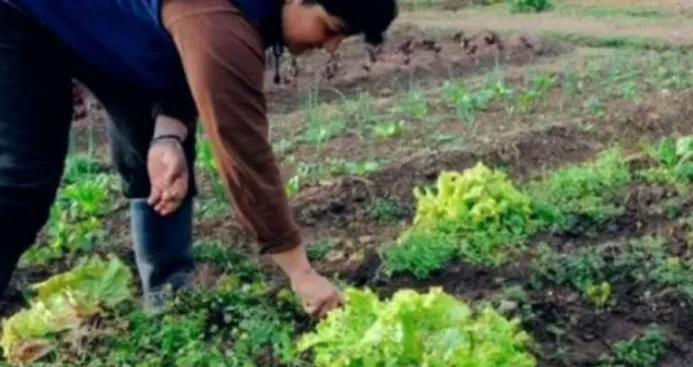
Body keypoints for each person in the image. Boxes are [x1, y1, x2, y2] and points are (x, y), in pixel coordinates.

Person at [0, 0, 397, 317]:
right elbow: (243, 151)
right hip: (28, 15)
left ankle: (169, 298)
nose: (330, 46)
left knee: (157, 153)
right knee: (25, 177)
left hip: (112, 31)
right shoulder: (220, 19)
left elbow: (186, 62)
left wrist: (168, 134)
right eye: (331, 28)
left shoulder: (242, 15)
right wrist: (301, 273)